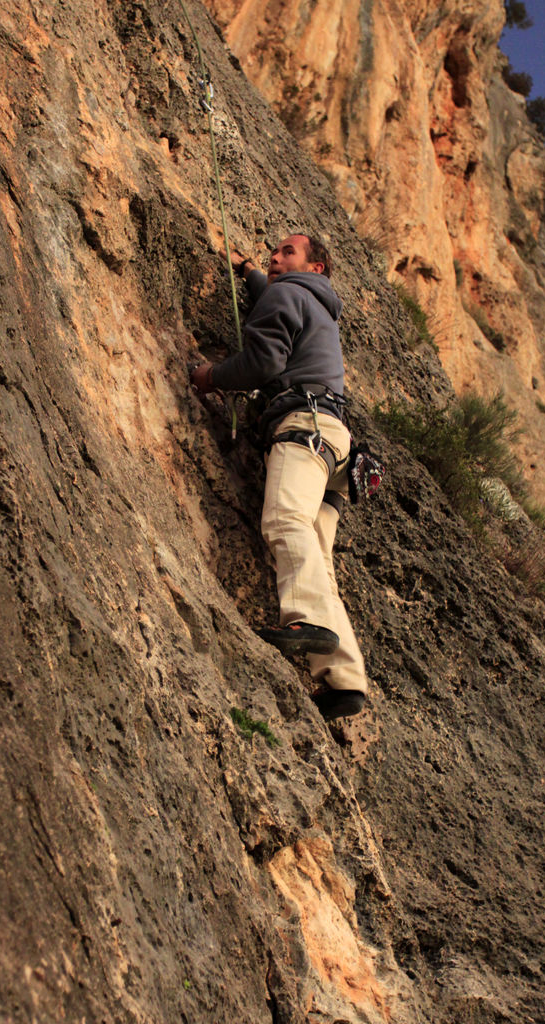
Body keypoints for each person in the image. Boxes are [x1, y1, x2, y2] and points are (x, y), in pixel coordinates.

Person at [190, 234, 367, 720]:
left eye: (288, 252)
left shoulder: (290, 292)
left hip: (302, 430)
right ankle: (344, 681)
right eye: (274, 253)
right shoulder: (319, 309)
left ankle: (307, 621)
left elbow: (264, 361)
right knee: (318, 560)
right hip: (336, 448)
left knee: (285, 521)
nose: (275, 257)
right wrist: (249, 270)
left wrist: (209, 376)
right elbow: (274, 294)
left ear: (317, 268)